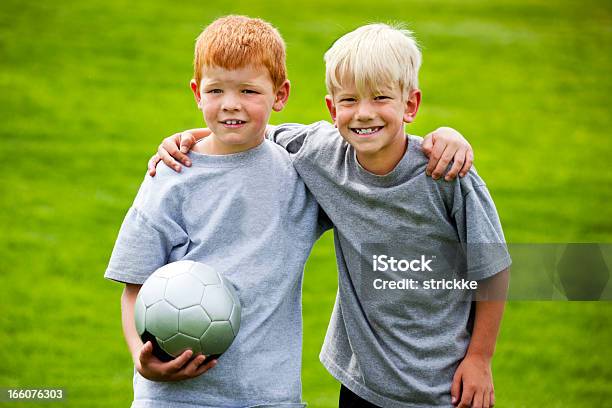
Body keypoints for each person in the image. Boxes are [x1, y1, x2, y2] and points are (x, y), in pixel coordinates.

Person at [152, 23, 510, 408]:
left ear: (410, 105)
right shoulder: (319, 154)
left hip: (446, 385)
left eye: (381, 98)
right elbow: (249, 128)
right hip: (360, 384)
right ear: (331, 107)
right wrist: (188, 138)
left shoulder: (447, 173)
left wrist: (480, 358)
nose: (363, 113)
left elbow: (491, 268)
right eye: (349, 100)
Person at [105, 15, 326, 407]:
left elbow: (369, 153)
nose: (230, 105)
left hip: (268, 397)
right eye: (216, 90)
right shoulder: (171, 175)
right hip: (175, 399)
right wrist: (142, 362)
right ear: (197, 93)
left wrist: (443, 138)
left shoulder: (301, 175)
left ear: (280, 94)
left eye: (248, 91)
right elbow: (134, 286)